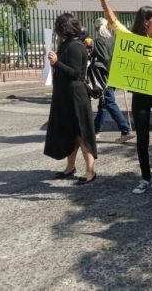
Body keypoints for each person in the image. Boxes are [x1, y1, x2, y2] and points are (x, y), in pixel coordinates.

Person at [88, 0, 152, 199]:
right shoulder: (132, 41)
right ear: (146, 21)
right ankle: (145, 178)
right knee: (142, 140)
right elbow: (113, 21)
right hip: (140, 95)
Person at [44, 13, 97, 184]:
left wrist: (57, 62)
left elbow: (76, 74)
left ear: (63, 29)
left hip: (76, 97)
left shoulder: (75, 46)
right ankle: (70, 167)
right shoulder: (67, 44)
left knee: (81, 134)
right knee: (71, 134)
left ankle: (90, 171)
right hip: (66, 96)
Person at [92, 17, 136, 144]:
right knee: (103, 104)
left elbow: (104, 57)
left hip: (104, 75)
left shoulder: (99, 40)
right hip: (114, 73)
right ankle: (95, 131)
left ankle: (125, 130)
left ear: (97, 28)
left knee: (109, 102)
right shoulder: (113, 39)